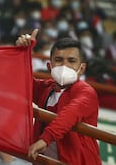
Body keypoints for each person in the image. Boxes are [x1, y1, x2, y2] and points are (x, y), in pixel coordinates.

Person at [16, 30, 101, 164]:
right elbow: (19, 80)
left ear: (82, 68)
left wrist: (45, 140)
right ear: (49, 66)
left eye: (71, 61)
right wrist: (21, 52)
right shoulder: (46, 88)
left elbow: (70, 114)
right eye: (58, 60)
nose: (64, 66)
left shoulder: (86, 92)